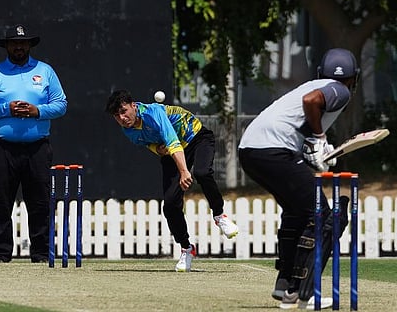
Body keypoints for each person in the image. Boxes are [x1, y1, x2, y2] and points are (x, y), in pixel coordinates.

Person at [238, 48, 359, 309]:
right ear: (354, 78)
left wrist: (315, 150)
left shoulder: (315, 83)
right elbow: (311, 101)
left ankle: (286, 287)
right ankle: (306, 292)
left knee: (297, 212)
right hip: (272, 150)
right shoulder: (340, 90)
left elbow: (299, 126)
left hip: (250, 150)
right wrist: (320, 139)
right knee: (325, 216)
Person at [105, 90, 238, 272]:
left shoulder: (154, 113)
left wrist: (184, 171)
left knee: (202, 173)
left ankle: (219, 215)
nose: (122, 118)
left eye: (124, 111)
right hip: (171, 152)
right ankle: (186, 249)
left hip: (197, 138)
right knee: (169, 204)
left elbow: (172, 140)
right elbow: (150, 144)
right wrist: (157, 150)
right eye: (117, 116)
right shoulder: (128, 131)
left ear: (133, 105)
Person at [0, 24, 67, 263]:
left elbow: (61, 104)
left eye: (22, 43)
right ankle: (1, 254)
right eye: (14, 43)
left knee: (39, 202)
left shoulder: (45, 71)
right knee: (1, 202)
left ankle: (41, 253)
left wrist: (37, 111)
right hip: (3, 148)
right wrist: (7, 108)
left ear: (29, 45)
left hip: (37, 147)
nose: (18, 47)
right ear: (6, 46)